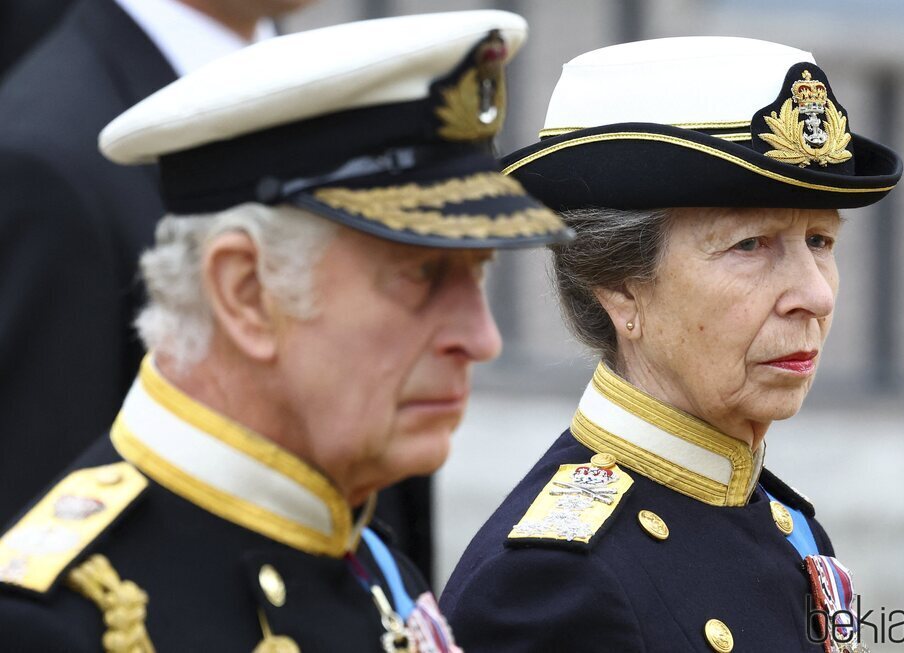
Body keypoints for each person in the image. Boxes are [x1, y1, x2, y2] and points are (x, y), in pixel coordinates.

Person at [0, 11, 571, 651]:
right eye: (420, 275)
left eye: (477, 275)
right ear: (245, 292)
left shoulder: (373, 567)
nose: (482, 339)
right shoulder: (60, 622)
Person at [441, 37, 902, 653]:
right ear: (619, 286)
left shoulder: (785, 526)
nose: (814, 296)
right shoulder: (557, 584)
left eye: (820, 241)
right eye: (750, 245)